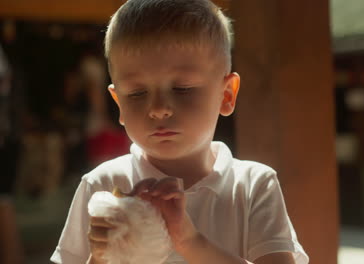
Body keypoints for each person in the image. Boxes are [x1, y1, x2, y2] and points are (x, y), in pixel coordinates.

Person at [51, 0, 309, 263]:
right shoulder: (103, 185)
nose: (159, 109)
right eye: (138, 93)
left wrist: (190, 242)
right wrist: (101, 257)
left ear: (226, 95)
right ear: (119, 104)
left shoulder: (252, 186)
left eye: (182, 89)